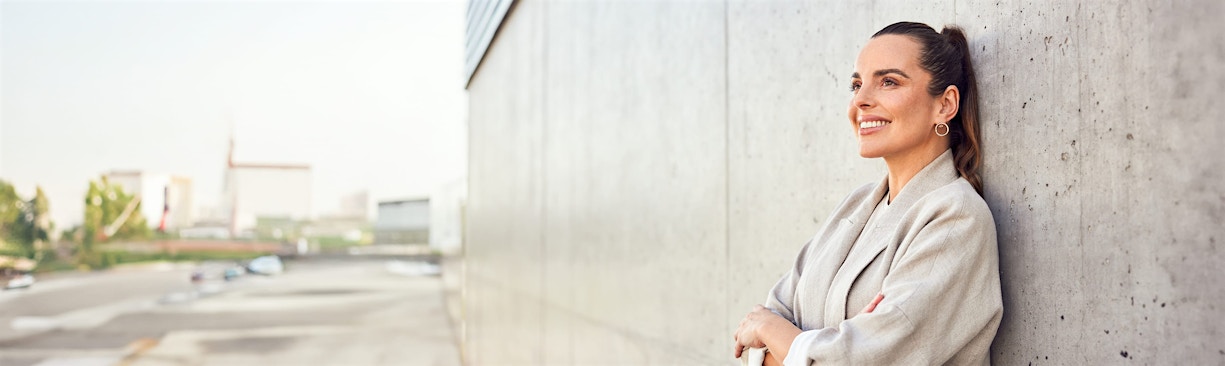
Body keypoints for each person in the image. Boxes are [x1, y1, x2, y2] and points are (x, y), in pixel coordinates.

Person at [732, 21, 1003, 365]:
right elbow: (764, 323)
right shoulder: (857, 205)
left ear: (945, 104)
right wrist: (820, 341)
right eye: (856, 84)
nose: (860, 100)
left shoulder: (955, 219)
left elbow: (865, 361)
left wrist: (780, 335)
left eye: (888, 82)